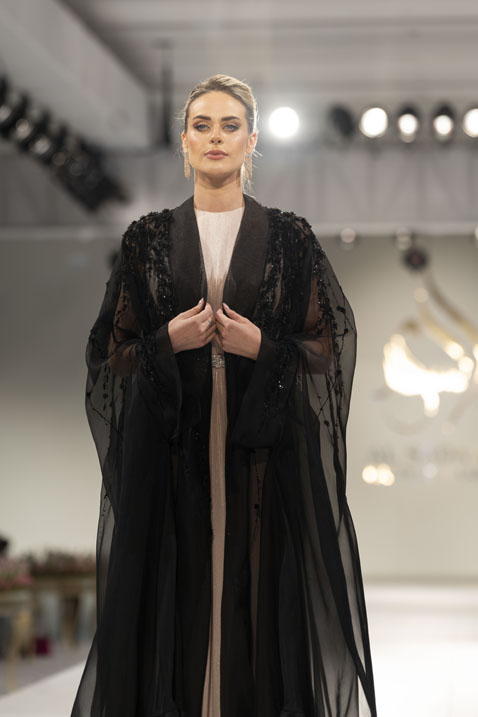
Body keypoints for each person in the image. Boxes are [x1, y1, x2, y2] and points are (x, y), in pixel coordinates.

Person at [71, 74, 377, 717]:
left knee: (260, 595)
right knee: (175, 592)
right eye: (202, 125)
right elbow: (109, 353)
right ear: (184, 141)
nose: (216, 137)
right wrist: (168, 341)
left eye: (230, 126)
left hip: (263, 451)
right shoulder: (147, 240)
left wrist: (262, 347)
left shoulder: (289, 238)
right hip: (173, 450)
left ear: (251, 141)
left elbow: (329, 345)